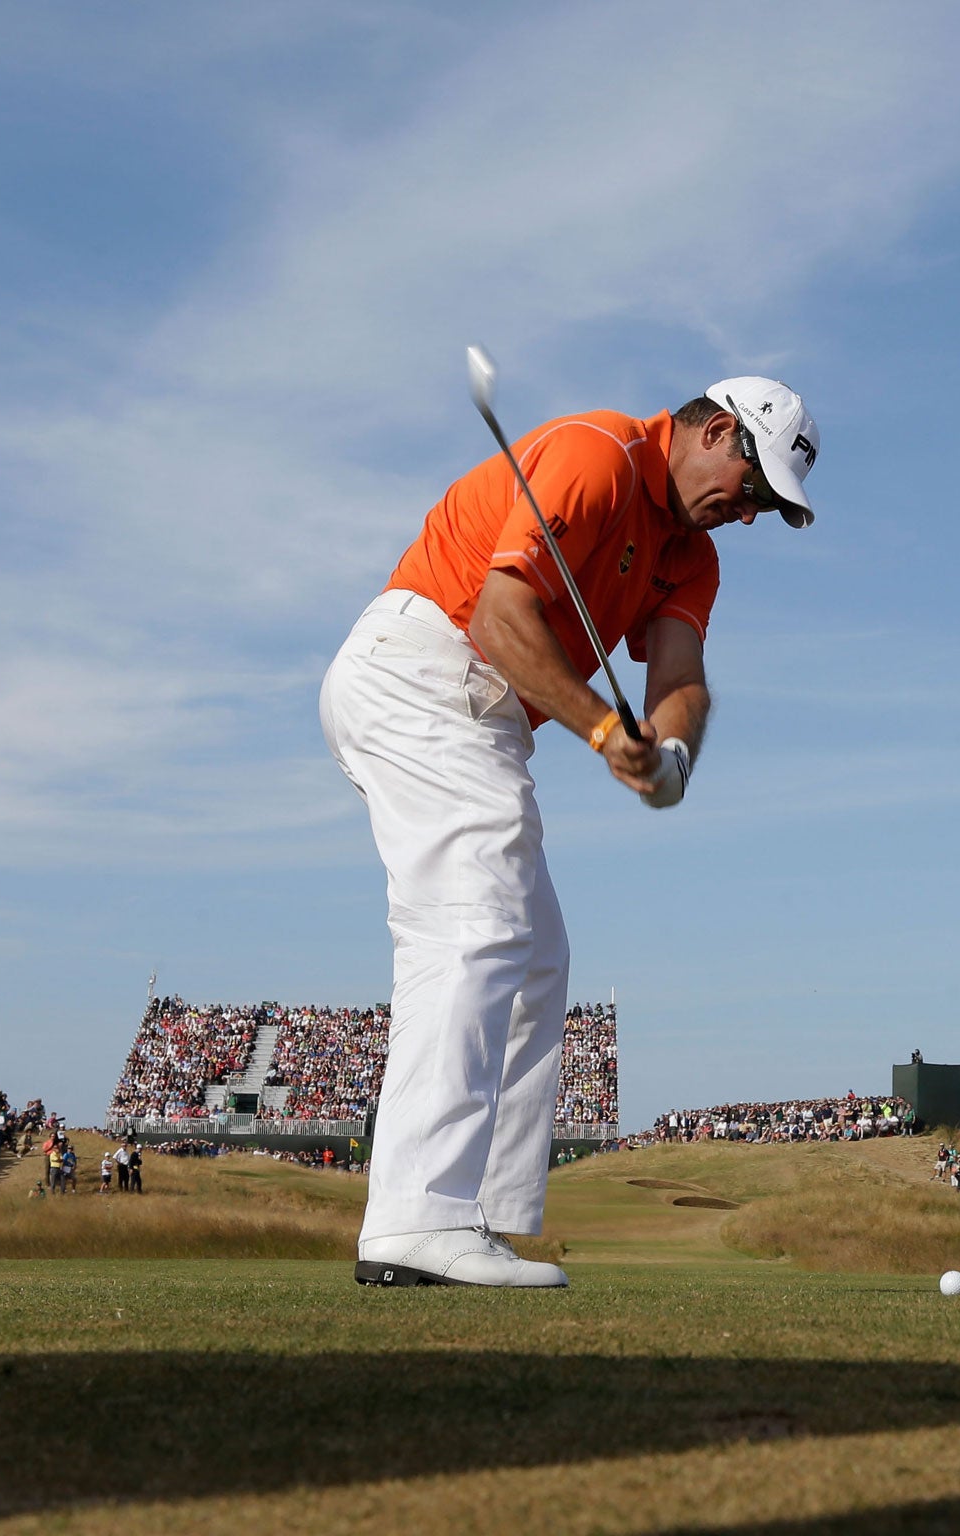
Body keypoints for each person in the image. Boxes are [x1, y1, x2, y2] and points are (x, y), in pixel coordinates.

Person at [321, 373, 821, 1289]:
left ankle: (481, 1218)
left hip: (481, 710)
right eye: (750, 491)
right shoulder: (598, 455)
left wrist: (669, 757)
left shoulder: (692, 558)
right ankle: (414, 1219)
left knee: (536, 954)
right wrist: (601, 730)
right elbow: (499, 616)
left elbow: (681, 673)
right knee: (475, 926)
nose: (745, 516)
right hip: (422, 666)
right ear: (715, 430)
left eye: (763, 510)